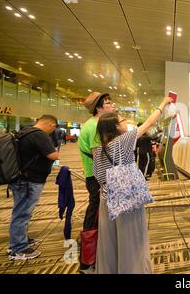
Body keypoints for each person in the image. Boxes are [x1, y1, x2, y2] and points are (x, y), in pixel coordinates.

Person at [93, 96, 173, 274]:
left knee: (109, 241)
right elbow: (150, 122)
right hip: (127, 198)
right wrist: (163, 103)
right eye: (122, 121)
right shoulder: (124, 141)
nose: (125, 123)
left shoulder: (98, 149)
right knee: (133, 239)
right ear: (115, 126)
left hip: (106, 198)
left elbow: (98, 176)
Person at [7, 115, 60, 260]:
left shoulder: (25, 131)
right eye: (53, 128)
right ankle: (17, 248)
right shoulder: (39, 135)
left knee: (21, 212)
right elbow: (54, 155)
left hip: (21, 179)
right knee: (22, 213)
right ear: (51, 125)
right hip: (29, 181)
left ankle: (19, 240)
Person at [77, 92, 115, 273]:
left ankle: (92, 253)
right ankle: (88, 259)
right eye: (108, 103)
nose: (112, 105)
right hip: (96, 176)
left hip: (95, 175)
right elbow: (98, 155)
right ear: (98, 107)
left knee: (96, 213)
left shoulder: (92, 124)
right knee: (94, 216)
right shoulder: (94, 126)